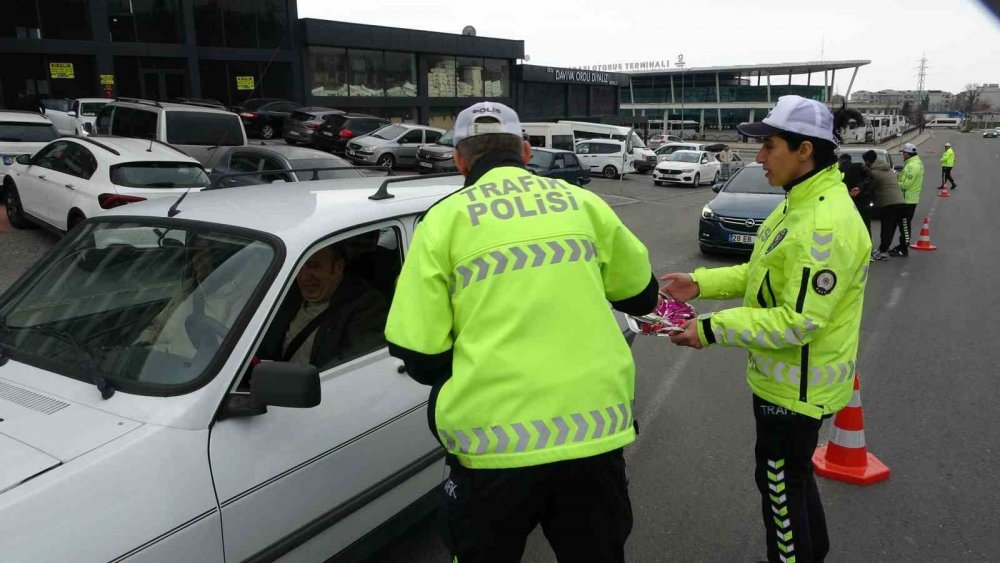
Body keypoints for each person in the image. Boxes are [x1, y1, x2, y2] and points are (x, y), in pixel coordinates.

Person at [385, 102, 658, 562]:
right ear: (526, 151)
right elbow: (641, 296)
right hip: (594, 437)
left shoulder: (443, 221)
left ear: (459, 160)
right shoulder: (583, 204)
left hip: (492, 450)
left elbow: (420, 354)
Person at [661, 95, 870, 563]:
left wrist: (709, 329)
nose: (758, 157)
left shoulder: (823, 225)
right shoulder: (796, 204)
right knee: (793, 480)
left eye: (769, 146)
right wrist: (699, 283)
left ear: (804, 150)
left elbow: (798, 321)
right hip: (786, 383)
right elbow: (761, 274)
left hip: (795, 392)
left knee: (780, 486)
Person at [259, 243, 387, 369]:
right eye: (298, 267)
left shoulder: (365, 304)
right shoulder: (285, 294)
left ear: (338, 267)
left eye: (312, 266)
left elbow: (352, 367)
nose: (304, 276)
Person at [863, 150, 908, 261]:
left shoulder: (874, 173)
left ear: (868, 161)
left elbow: (869, 189)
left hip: (888, 203)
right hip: (900, 201)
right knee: (893, 228)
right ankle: (890, 249)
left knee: (886, 228)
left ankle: (883, 251)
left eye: (865, 162)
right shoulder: (887, 169)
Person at [893, 142, 924, 257]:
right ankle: (902, 245)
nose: (903, 155)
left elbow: (905, 185)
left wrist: (894, 183)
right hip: (909, 199)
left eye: (904, 153)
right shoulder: (914, 163)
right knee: (903, 225)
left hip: (907, 200)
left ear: (907, 153)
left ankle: (904, 249)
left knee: (905, 225)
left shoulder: (912, 166)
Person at [837, 153, 873, 240]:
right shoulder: (859, 166)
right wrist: (859, 187)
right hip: (863, 201)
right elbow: (870, 176)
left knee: (848, 226)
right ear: (850, 160)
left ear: (840, 161)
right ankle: (868, 244)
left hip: (846, 202)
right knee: (866, 225)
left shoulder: (838, 171)